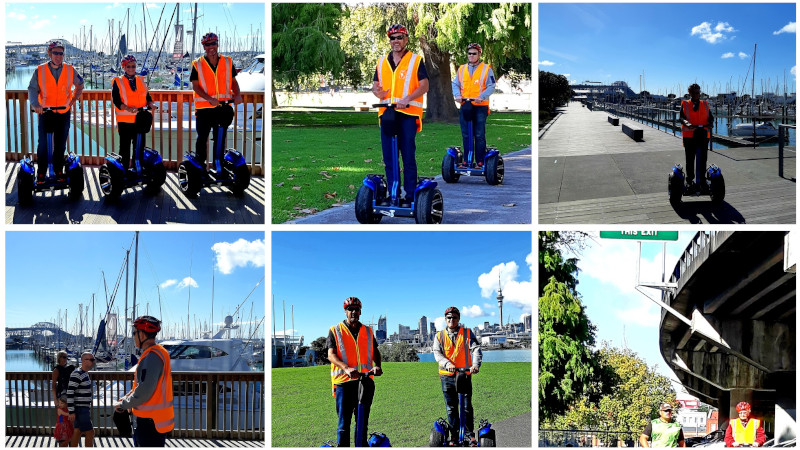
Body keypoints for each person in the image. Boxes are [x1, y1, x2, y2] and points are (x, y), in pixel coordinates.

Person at [372, 24, 430, 207]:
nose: (395, 41)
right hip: (387, 113)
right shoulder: (381, 62)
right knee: (389, 157)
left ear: (406, 40)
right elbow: (376, 86)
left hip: (407, 114)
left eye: (399, 37)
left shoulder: (415, 60)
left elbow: (425, 85)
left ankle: (411, 196)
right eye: (392, 38)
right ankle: (393, 193)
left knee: (407, 155)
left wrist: (408, 98)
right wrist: (377, 92)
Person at [327, 297, 383, 447]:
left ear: (360, 312)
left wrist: (378, 365)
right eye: (350, 309)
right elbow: (331, 355)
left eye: (356, 309)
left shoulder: (368, 331)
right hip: (344, 383)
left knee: (362, 422)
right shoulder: (335, 330)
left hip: (365, 382)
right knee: (344, 424)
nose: (354, 312)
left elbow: (376, 351)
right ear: (345, 312)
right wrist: (346, 368)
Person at [27, 40, 84, 184]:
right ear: (49, 53)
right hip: (45, 112)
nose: (58, 56)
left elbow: (80, 84)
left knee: (60, 145)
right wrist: (35, 104)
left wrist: (73, 99)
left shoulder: (70, 69)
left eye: (61, 53)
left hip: (64, 112)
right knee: (43, 145)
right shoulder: (39, 70)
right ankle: (41, 173)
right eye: (55, 53)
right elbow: (32, 89)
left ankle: (59, 170)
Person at [114, 316, 174, 447]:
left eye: (134, 333)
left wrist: (124, 404)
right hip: (154, 420)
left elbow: (144, 391)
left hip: (149, 422)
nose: (133, 337)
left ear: (141, 334)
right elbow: (144, 385)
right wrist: (126, 398)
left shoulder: (152, 356)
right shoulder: (159, 352)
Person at [190, 32, 243, 171]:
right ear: (204, 47)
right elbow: (195, 86)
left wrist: (237, 95)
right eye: (207, 45)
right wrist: (209, 99)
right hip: (203, 108)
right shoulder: (197, 64)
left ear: (217, 44)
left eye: (213, 43)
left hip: (223, 108)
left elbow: (233, 82)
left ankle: (218, 165)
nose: (211, 47)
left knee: (220, 138)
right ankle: (200, 167)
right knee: (202, 138)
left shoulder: (228, 61)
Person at [432, 306, 482, 446]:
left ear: (459, 319)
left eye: (454, 317)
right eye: (449, 318)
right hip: (447, 376)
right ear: (445, 319)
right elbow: (437, 353)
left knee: (466, 406)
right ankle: (454, 435)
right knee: (451, 407)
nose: (451, 320)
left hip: (464, 374)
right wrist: (447, 364)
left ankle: (469, 434)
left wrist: (476, 364)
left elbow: (476, 349)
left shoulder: (467, 333)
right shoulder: (439, 335)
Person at [451, 43, 496, 168]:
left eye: (474, 53)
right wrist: (457, 95)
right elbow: (455, 84)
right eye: (469, 53)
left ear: (479, 55)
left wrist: (481, 97)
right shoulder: (461, 69)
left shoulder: (487, 69)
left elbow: (492, 86)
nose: (471, 55)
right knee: (466, 133)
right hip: (466, 104)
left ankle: (480, 161)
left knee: (479, 134)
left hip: (480, 106)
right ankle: (466, 161)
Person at [111, 55, 156, 173]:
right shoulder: (118, 81)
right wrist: (127, 108)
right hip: (125, 122)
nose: (131, 68)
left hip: (140, 120)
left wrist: (151, 104)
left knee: (139, 148)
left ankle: (138, 170)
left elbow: (147, 96)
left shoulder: (141, 80)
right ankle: (123, 172)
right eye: (128, 66)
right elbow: (116, 100)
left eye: (133, 66)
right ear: (124, 67)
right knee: (124, 149)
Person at [680, 83, 714, 194]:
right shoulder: (685, 104)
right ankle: (689, 180)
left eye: (698, 92)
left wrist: (710, 123)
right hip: (690, 136)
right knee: (690, 159)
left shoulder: (705, 104)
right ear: (689, 93)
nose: (696, 94)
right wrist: (686, 123)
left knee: (703, 158)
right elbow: (681, 117)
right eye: (694, 92)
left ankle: (703, 180)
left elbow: (711, 117)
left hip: (703, 135)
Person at [67, 351, 95, 447]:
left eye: (93, 359)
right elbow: (70, 392)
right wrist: (71, 411)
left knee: (77, 431)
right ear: (83, 361)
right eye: (91, 360)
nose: (93, 362)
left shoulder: (84, 373)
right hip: (80, 409)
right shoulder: (77, 374)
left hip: (82, 408)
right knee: (90, 432)